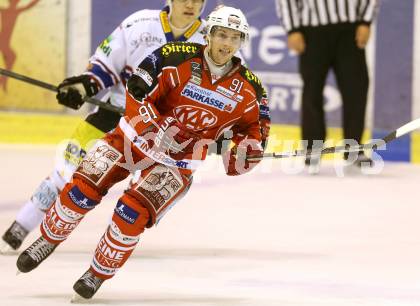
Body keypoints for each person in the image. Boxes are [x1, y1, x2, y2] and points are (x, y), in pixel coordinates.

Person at [16, 5, 271, 300]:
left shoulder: (252, 89)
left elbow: (255, 135)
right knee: (82, 189)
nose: (226, 44)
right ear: (209, 34)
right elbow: (137, 89)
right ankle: (48, 239)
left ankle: (96, 274)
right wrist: (152, 125)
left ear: (241, 42)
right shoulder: (174, 55)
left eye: (234, 38)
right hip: (132, 139)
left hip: (178, 162)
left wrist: (243, 154)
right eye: (221, 35)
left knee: (131, 214)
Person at [0, 0, 209, 253]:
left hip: (165, 131)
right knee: (66, 174)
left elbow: (223, 98)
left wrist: (219, 131)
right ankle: (21, 225)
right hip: (114, 114)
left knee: (145, 193)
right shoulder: (139, 23)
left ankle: (114, 246)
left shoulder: (212, 41)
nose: (191, 4)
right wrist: (83, 87)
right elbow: (104, 67)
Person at [276, 0, 378, 172]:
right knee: (312, 90)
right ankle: (312, 149)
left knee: (356, 88)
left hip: (350, 28)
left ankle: (353, 148)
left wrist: (365, 21)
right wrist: (292, 29)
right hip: (312, 30)